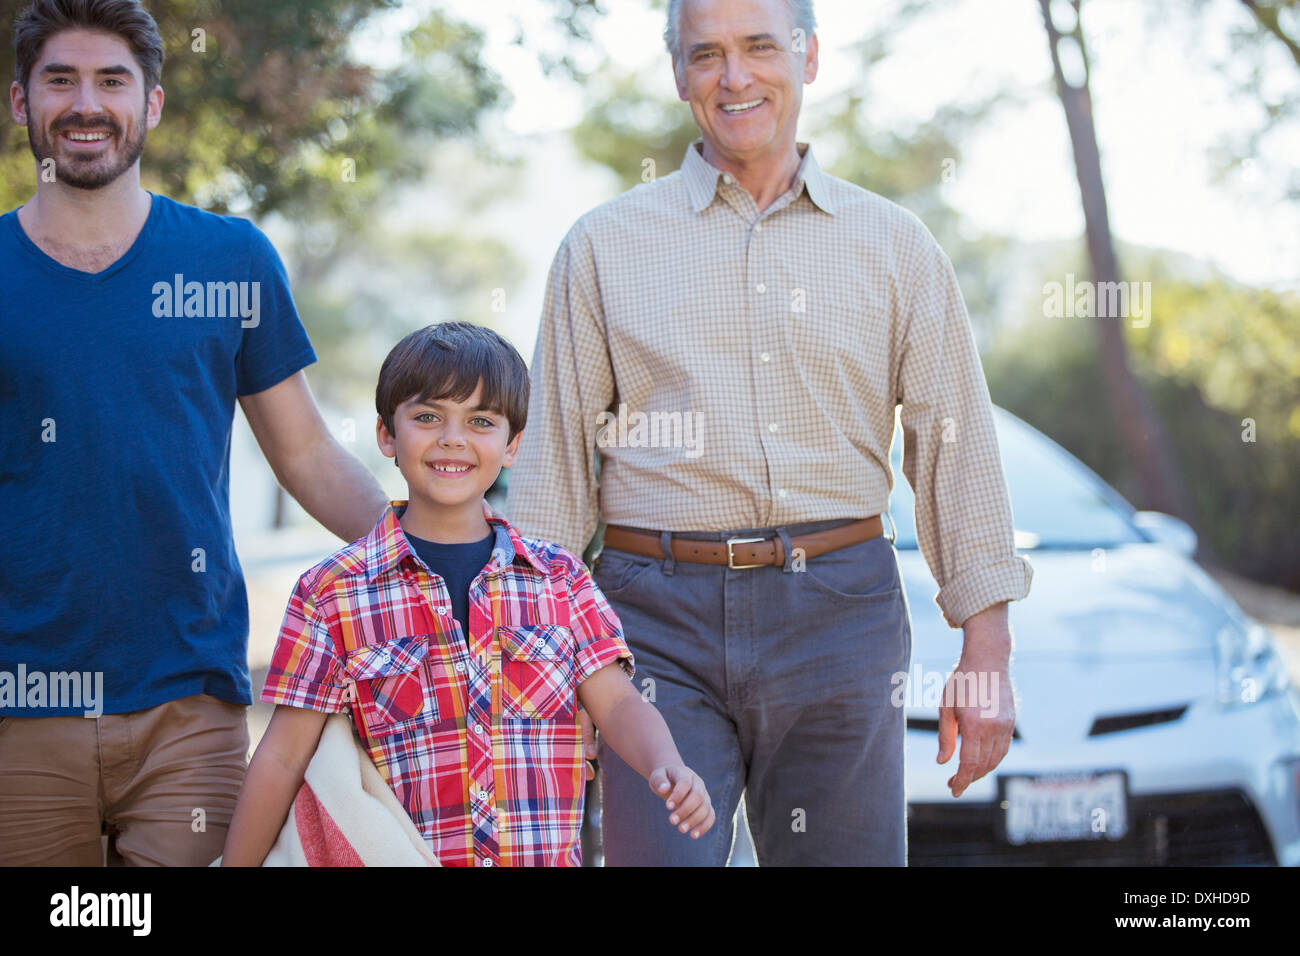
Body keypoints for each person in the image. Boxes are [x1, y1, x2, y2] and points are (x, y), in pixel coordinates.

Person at [506, 0, 1033, 866]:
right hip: (650, 629)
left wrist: (987, 651)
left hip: (842, 614)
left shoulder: (895, 246)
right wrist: (528, 656)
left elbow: (954, 447)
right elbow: (557, 466)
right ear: (680, 74)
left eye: (760, 47)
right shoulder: (603, 247)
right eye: (706, 53)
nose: (735, 76)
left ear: (810, 56)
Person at [0, 0, 390, 866]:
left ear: (154, 105)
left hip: (189, 701)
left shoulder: (229, 260)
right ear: (21, 103)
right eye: (59, 80)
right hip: (19, 703)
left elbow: (307, 454)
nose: (87, 103)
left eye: (113, 81)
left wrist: (426, 554)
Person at [221, 322, 714, 867]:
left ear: (512, 445)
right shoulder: (332, 593)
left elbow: (618, 701)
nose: (453, 438)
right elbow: (283, 755)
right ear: (387, 434)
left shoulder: (561, 580)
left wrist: (665, 762)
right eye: (428, 417)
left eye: (481, 421)